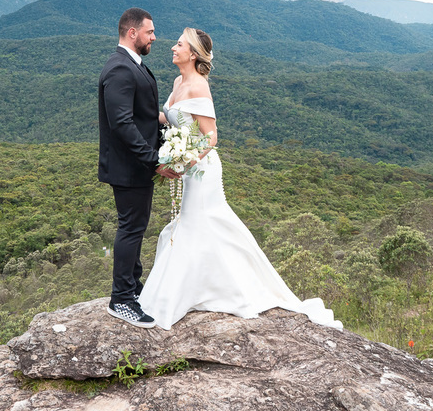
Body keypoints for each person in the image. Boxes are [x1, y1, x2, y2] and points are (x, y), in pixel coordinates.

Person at [139, 28, 343, 331]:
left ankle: (216, 292)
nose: (172, 47)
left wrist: (186, 157)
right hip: (188, 168)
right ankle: (201, 287)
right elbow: (168, 117)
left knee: (200, 223)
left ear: (192, 54)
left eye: (179, 44)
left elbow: (211, 137)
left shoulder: (199, 87)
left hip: (202, 169)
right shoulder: (178, 82)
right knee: (196, 224)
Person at [97, 8, 178, 327]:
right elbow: (122, 124)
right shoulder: (119, 68)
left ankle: (133, 288)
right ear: (132, 33)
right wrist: (154, 159)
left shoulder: (132, 65)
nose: (154, 38)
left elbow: (141, 116)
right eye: (150, 32)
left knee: (136, 227)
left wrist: (169, 128)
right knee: (130, 228)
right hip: (129, 167)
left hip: (136, 166)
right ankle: (121, 299)